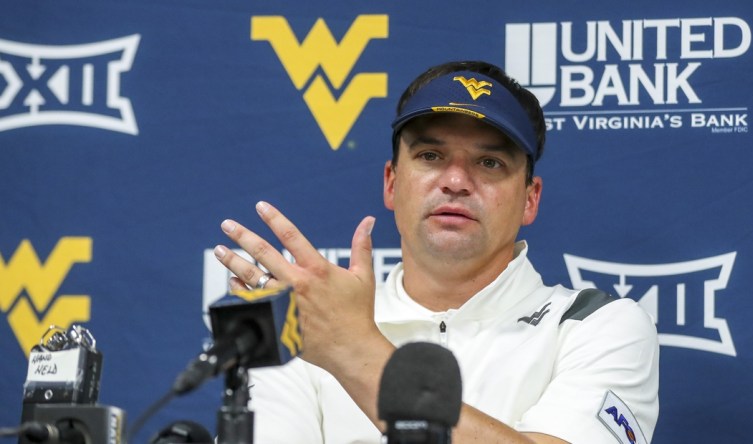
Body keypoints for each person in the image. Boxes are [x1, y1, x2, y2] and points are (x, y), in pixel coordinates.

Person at [212, 60, 659, 443]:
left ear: (529, 198)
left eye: (490, 163)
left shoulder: (594, 325)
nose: (456, 181)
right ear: (391, 182)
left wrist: (352, 349)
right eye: (430, 156)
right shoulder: (307, 324)